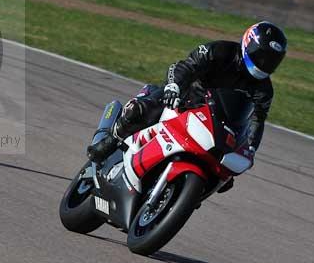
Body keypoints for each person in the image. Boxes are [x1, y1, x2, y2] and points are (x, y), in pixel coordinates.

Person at [86, 21, 288, 173]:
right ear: (248, 43)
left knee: (224, 173)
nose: (264, 63)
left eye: (271, 61)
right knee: (140, 110)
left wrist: (250, 147)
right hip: (185, 100)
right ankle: (111, 141)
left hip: (218, 123)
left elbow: (257, 119)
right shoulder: (219, 51)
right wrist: (174, 87)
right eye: (261, 56)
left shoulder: (264, 89)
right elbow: (187, 66)